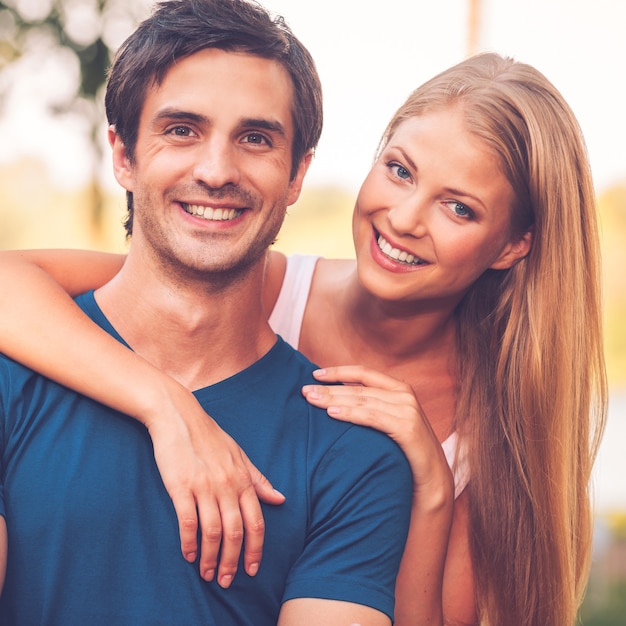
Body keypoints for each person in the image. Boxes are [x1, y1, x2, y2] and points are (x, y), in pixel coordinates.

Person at [0, 51, 607, 625]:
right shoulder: (254, 284)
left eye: (459, 209)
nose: (404, 219)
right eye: (400, 171)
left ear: (511, 244)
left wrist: (431, 489)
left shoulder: (491, 431)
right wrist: (167, 405)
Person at [0, 0, 416, 624]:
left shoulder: (351, 455)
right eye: (181, 130)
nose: (217, 171)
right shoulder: (12, 372)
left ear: (298, 174)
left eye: (255, 139)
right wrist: (164, 403)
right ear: (123, 155)